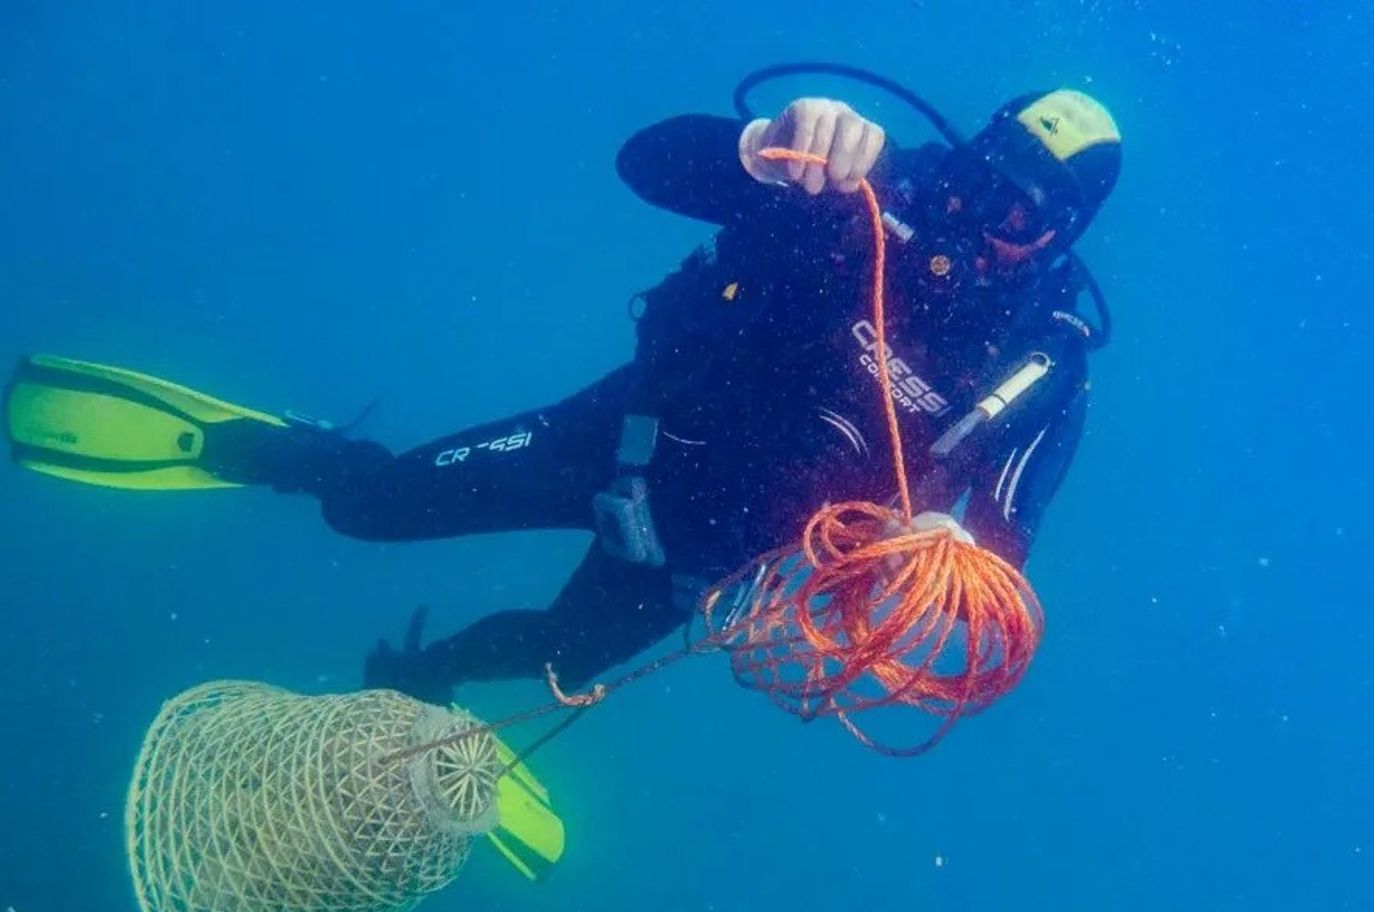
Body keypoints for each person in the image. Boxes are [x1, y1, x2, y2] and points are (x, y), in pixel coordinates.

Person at [6, 81, 1122, 706]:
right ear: (963, 152)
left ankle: (424, 678)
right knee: (369, 511)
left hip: (706, 551)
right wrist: (760, 145)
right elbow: (648, 164)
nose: (977, 221)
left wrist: (945, 551)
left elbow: (1002, 558)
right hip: (619, 437)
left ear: (1061, 238)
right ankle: (276, 452)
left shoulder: (1044, 366)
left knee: (556, 663)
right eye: (980, 181)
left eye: (1019, 216)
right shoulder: (859, 184)